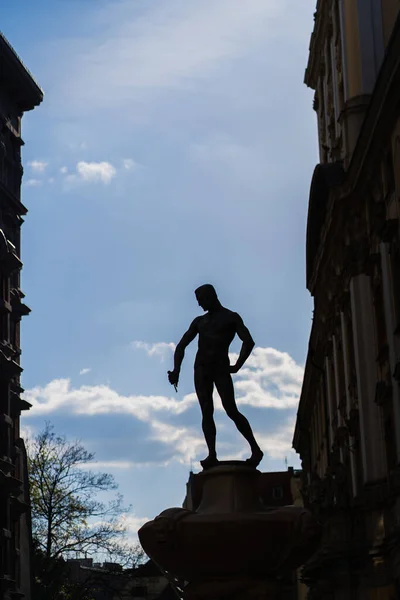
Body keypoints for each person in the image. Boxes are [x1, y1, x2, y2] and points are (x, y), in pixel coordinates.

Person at [168, 284, 263, 469]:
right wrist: (176, 370)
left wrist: (237, 365)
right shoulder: (199, 322)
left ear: (211, 297)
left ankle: (255, 450)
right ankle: (212, 454)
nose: (199, 305)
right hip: (202, 369)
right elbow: (181, 346)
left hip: (220, 368)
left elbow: (248, 341)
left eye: (201, 300)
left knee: (231, 409)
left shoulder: (230, 318)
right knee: (206, 411)